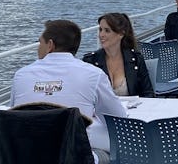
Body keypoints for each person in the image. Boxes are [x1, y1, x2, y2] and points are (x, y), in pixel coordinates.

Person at [10, 19, 127, 164]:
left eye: (40, 42)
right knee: (112, 150)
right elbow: (118, 119)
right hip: (74, 158)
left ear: (50, 45)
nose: (38, 48)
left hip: (26, 156)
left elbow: (14, 114)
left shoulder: (21, 75)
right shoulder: (93, 75)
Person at [82, 13, 154, 97]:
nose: (101, 35)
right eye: (100, 30)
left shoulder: (136, 59)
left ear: (121, 34)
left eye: (107, 31)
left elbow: (148, 92)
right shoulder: (90, 61)